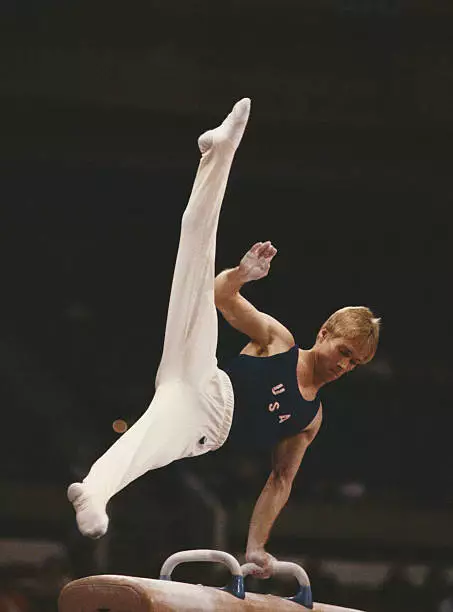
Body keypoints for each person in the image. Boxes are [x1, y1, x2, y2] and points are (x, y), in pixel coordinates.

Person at [68, 98, 380, 578]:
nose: (344, 365)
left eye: (354, 363)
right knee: (194, 256)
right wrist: (241, 274)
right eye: (343, 352)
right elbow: (216, 295)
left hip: (203, 422)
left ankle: (94, 491)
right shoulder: (278, 339)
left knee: (150, 440)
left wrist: (255, 548)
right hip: (202, 374)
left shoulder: (310, 418)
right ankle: (220, 150)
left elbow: (279, 482)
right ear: (324, 334)